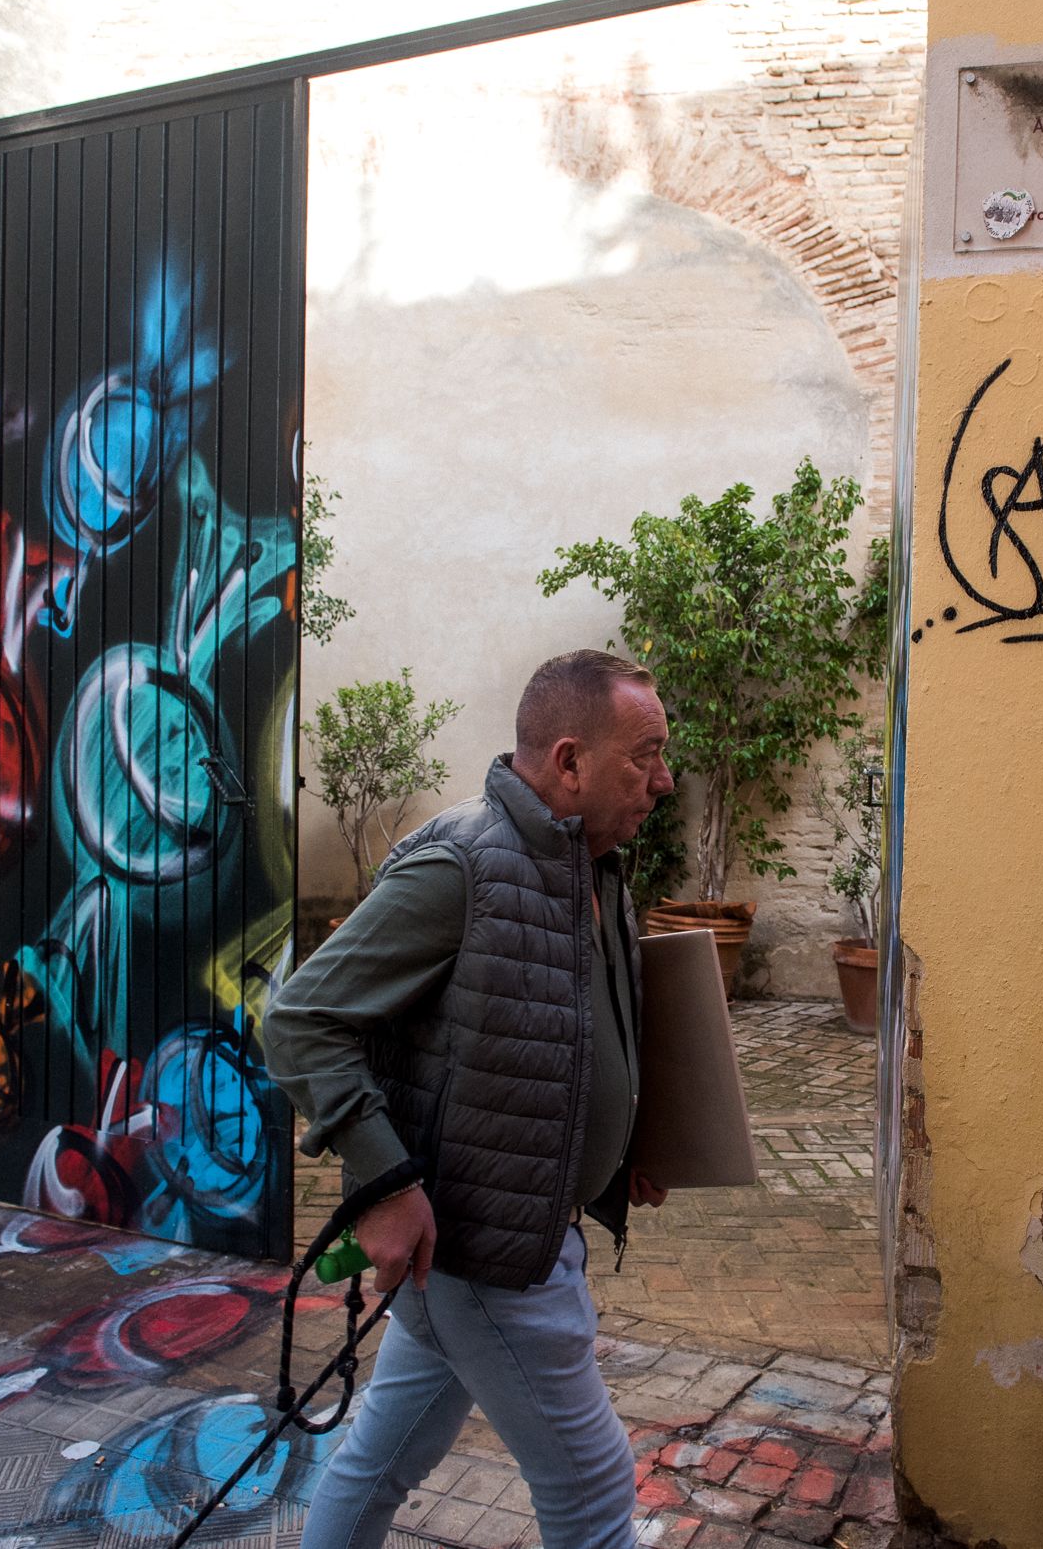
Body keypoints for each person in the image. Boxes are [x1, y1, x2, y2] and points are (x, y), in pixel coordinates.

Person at [265, 648, 677, 1549]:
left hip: (503, 1232)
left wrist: (615, 1147)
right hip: (487, 1248)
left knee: (385, 1451)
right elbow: (299, 1022)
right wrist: (384, 1184)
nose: (665, 778)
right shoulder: (461, 864)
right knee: (593, 1481)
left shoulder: (595, 869)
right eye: (643, 754)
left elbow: (564, 1042)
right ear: (569, 761)